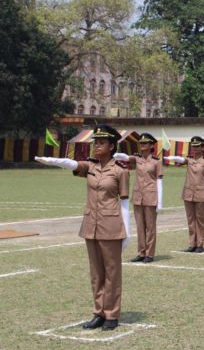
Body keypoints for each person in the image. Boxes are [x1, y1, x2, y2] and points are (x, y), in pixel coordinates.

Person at [35, 124, 130, 331]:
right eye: (96, 142)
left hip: (112, 226)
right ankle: (99, 312)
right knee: (96, 272)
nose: (97, 145)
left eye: (102, 142)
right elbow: (73, 164)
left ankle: (112, 314)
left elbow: (124, 202)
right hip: (91, 224)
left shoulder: (120, 171)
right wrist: (54, 161)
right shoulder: (91, 167)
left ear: (112, 146)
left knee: (112, 272)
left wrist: (127, 232)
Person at [114, 133, 163, 263]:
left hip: (151, 196)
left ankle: (150, 254)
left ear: (151, 145)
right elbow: (124, 157)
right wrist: (111, 153)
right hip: (138, 196)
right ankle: (141, 252)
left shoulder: (156, 161)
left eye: (145, 143)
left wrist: (160, 201)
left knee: (150, 227)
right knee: (140, 226)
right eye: (141, 143)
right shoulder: (137, 158)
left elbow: (159, 181)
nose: (142, 145)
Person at [165, 136, 204, 253]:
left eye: (197, 146)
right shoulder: (190, 160)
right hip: (188, 193)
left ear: (202, 147)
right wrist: (171, 157)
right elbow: (181, 160)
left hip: (201, 194)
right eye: (193, 146)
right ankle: (192, 244)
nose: (195, 148)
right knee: (191, 220)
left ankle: (200, 244)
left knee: (201, 220)